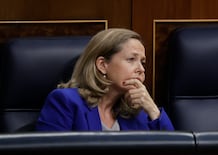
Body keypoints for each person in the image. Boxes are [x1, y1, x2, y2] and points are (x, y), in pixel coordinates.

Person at [35, 28, 174, 131]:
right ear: (102, 65)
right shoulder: (66, 102)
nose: (141, 69)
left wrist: (153, 110)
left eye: (142, 62)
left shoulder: (137, 112)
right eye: (131, 59)